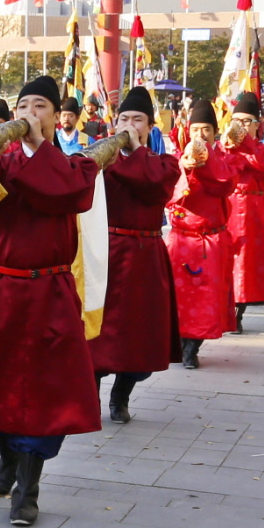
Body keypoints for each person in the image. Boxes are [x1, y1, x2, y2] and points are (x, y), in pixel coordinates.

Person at [0, 74, 101, 527]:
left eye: (41, 106)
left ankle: (28, 487)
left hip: (50, 292)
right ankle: (8, 459)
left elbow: (63, 191)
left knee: (45, 398)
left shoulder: (77, 167)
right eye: (23, 105)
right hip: (2, 292)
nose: (30, 113)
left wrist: (34, 149)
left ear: (58, 117)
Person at [91, 88, 180, 421]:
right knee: (97, 333)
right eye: (124, 119)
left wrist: (135, 151)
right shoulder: (98, 159)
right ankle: (92, 397)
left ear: (150, 127)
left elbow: (154, 185)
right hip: (106, 253)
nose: (129, 125)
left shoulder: (164, 164)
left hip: (145, 254)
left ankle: (121, 396)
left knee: (138, 333)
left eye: (137, 120)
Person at [165, 97, 237, 367]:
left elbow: (224, 185)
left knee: (207, 298)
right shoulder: (175, 160)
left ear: (215, 132)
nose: (200, 135)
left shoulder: (224, 160)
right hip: (182, 239)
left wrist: (205, 166)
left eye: (206, 129)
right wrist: (185, 168)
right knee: (178, 297)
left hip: (211, 238)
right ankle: (179, 344)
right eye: (196, 129)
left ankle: (192, 348)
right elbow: (171, 197)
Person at [223, 94, 264, 322]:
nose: (240, 127)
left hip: (256, 211)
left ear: (257, 125)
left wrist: (243, 144)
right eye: (236, 121)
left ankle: (239, 310)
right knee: (228, 259)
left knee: (249, 262)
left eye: (245, 122)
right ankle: (229, 307)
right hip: (229, 208)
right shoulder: (224, 149)